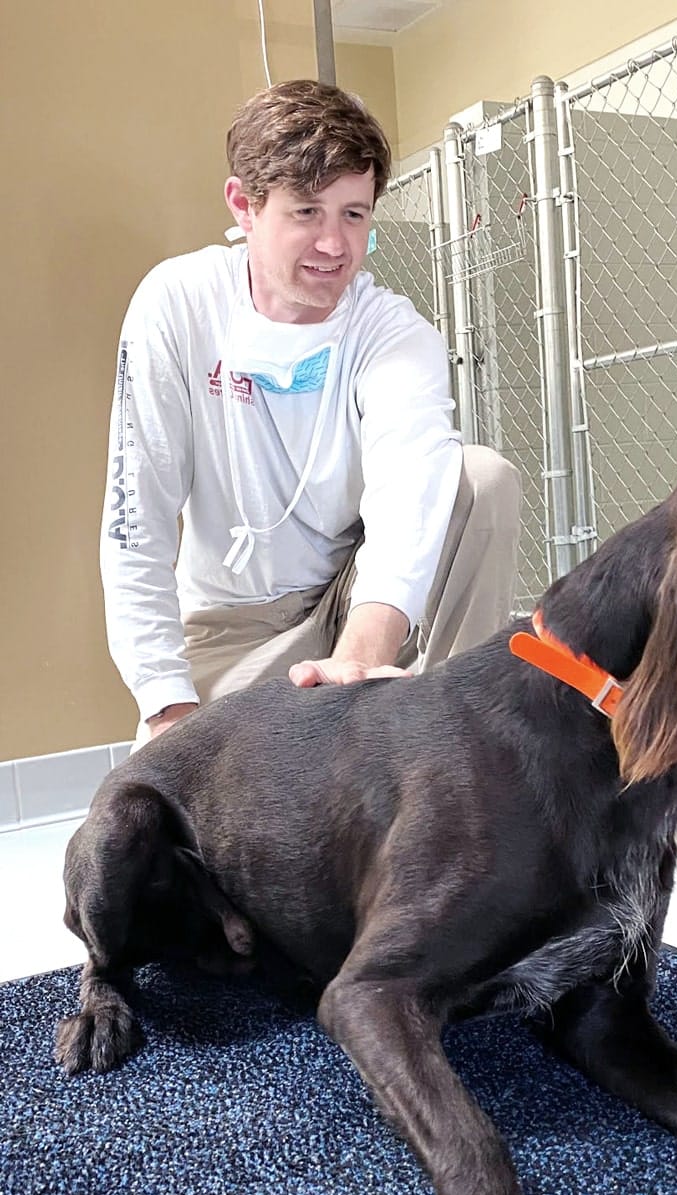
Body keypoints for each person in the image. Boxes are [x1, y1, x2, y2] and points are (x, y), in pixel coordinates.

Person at [100, 79, 521, 742]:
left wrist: (357, 661)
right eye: (306, 213)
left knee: (479, 477)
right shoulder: (177, 304)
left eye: (353, 214)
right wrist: (163, 703)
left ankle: (453, 746)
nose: (334, 244)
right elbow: (135, 515)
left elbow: (410, 494)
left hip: (355, 604)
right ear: (245, 205)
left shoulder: (393, 334)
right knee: (199, 814)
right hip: (232, 625)